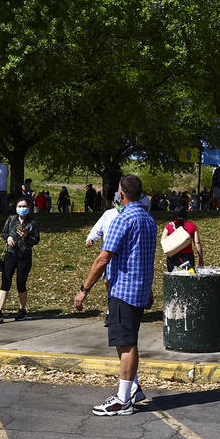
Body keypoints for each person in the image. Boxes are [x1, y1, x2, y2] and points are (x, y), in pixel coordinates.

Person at [74, 174, 156, 417]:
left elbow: (103, 258)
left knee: (126, 345)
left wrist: (84, 289)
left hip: (123, 290)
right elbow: (144, 258)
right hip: (139, 288)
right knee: (129, 342)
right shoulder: (149, 219)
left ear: (121, 194)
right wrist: (149, 288)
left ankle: (123, 400)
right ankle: (130, 391)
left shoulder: (123, 218)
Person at [0, 196, 40, 323]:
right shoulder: (11, 219)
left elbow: (36, 240)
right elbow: (4, 232)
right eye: (20, 206)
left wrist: (26, 236)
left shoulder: (32, 223)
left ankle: (22, 309)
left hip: (24, 256)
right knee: (5, 281)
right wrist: (7, 238)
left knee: (21, 283)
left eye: (24, 206)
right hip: (10, 254)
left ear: (29, 208)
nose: (22, 209)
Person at [162, 206, 203, 270]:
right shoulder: (192, 226)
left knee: (173, 278)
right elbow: (197, 243)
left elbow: (163, 240)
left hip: (173, 257)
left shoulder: (169, 226)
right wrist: (200, 258)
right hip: (187, 257)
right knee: (188, 277)